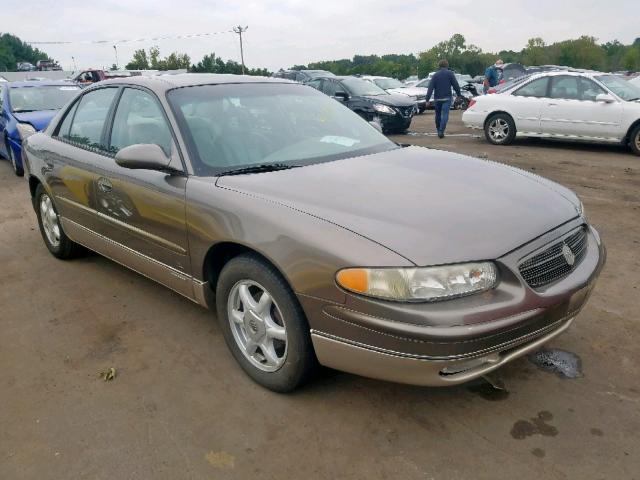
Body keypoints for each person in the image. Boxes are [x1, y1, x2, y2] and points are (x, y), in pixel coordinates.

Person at [425, 59, 461, 139]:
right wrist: (459, 95)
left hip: (437, 98)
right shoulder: (450, 74)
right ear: (447, 65)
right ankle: (441, 131)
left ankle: (438, 130)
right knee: (445, 114)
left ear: (439, 66)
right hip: (447, 98)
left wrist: (427, 99)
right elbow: (456, 85)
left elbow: (430, 88)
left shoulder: (435, 75)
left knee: (437, 115)